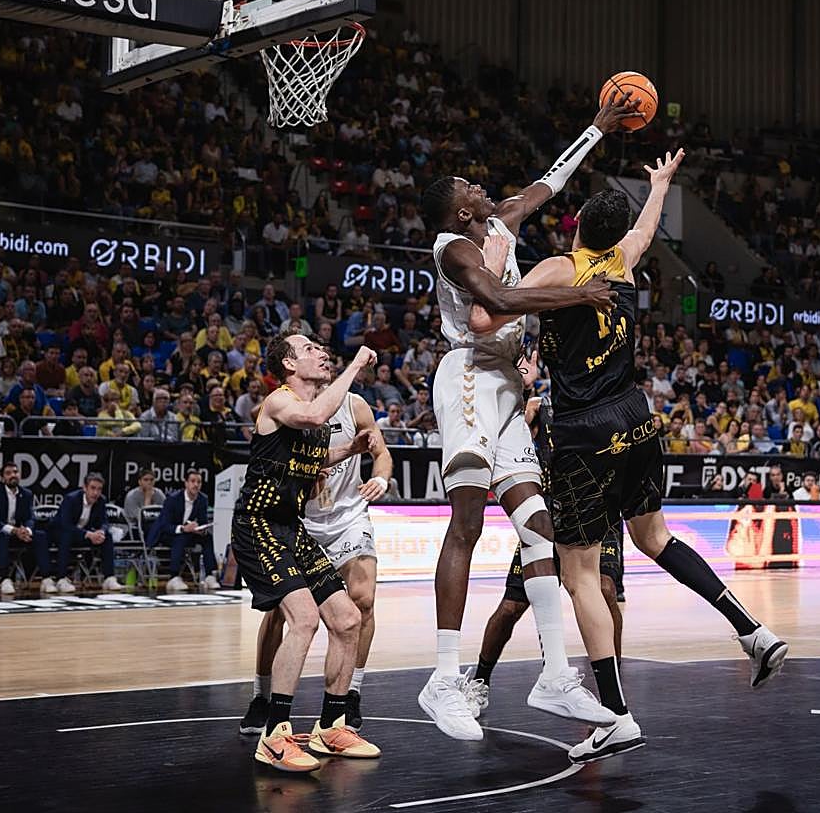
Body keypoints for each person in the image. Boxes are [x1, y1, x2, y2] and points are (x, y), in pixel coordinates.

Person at [469, 151, 786, 762]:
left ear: (577, 223)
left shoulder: (561, 266)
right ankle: (753, 631)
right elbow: (643, 232)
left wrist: (492, 263)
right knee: (657, 539)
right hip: (637, 419)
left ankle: (615, 715)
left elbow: (487, 313)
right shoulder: (626, 265)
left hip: (585, 432)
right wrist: (661, 185)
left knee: (580, 572)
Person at [415, 92, 635, 741]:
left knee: (540, 528)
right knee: (468, 523)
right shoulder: (454, 246)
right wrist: (572, 292)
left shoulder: (502, 223)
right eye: (467, 184)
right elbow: (498, 296)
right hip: (469, 377)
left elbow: (551, 180)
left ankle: (555, 674)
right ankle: (445, 677)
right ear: (460, 208)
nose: (479, 184)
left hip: (508, 383)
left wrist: (596, 126)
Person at [232, 335, 380, 773]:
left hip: (291, 528)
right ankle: (274, 734)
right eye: (310, 348)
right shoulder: (280, 402)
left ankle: (332, 724)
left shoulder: (313, 420)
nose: (321, 351)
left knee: (348, 619)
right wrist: (354, 367)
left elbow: (311, 461)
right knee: (304, 618)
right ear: (289, 363)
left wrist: (348, 451)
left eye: (321, 347)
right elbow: (317, 412)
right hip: (259, 525)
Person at [469, 395, 626, 712]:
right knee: (511, 607)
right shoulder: (538, 411)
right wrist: (523, 420)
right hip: (549, 518)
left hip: (597, 510)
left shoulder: (603, 407)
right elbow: (504, 454)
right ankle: (479, 682)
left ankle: (611, 691)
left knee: (605, 589)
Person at [148, 470, 218, 592]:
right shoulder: (172, 499)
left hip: (188, 532)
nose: (196, 485)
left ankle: (209, 575)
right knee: (180, 537)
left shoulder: (202, 499)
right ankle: (174, 577)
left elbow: (202, 521)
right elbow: (164, 525)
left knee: (207, 537)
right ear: (186, 483)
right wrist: (183, 528)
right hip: (168, 533)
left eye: (199, 482)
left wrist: (200, 529)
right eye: (192, 481)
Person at [52, 472, 122, 593]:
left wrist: (101, 531)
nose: (96, 493)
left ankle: (109, 578)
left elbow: (104, 522)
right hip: (61, 534)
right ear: (85, 488)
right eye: (93, 488)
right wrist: (88, 534)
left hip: (83, 535)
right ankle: (61, 579)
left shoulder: (101, 500)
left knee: (107, 537)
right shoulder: (71, 499)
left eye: (99, 489)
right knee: (66, 536)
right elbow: (66, 525)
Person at [0, 461, 44, 595]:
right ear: (2, 477)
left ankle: (46, 578)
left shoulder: (26, 494)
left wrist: (26, 530)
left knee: (40, 535)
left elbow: (30, 518)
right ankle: (5, 579)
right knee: (2, 536)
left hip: (19, 534)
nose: (13, 475)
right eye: (8, 473)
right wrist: (14, 530)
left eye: (15, 472)